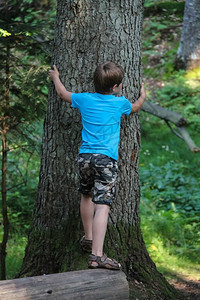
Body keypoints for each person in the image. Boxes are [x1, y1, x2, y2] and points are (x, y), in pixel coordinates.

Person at [49, 62, 145, 270]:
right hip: (106, 160)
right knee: (103, 204)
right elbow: (135, 108)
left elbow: (63, 94)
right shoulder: (120, 103)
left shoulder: (84, 98)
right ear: (116, 86)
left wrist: (56, 77)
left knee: (86, 195)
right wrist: (143, 96)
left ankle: (88, 237)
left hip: (85, 158)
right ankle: (97, 256)